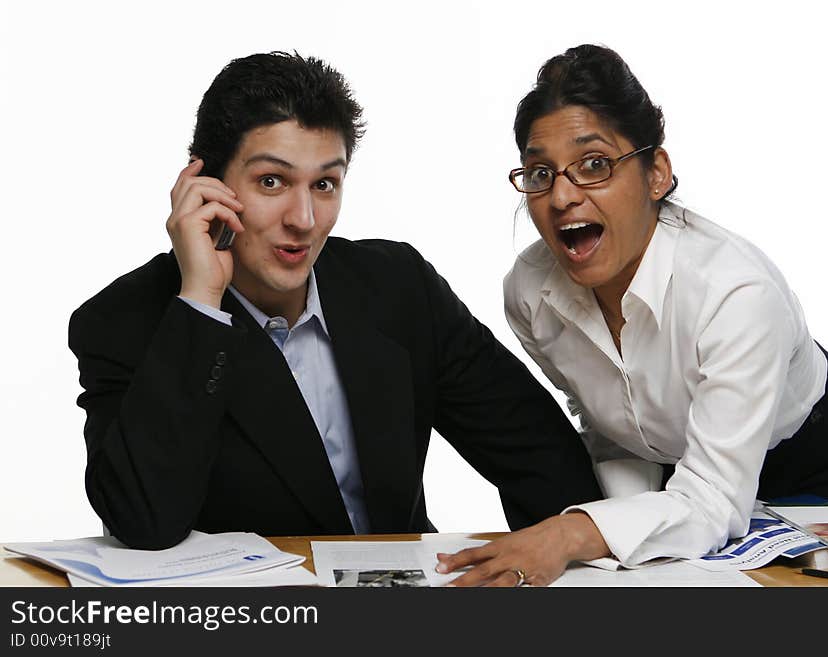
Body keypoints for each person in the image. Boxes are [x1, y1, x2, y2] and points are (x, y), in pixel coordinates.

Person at [68, 51, 602, 551]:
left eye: (325, 184)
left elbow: (540, 455)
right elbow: (142, 522)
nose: (304, 218)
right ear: (206, 184)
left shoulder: (398, 286)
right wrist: (202, 302)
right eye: (271, 181)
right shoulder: (124, 322)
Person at [436, 44, 828, 586]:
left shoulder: (735, 292)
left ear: (656, 174)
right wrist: (615, 529)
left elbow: (715, 497)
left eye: (594, 164)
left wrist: (572, 532)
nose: (562, 195)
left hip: (809, 459)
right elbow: (605, 420)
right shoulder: (529, 293)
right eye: (539, 172)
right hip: (678, 469)